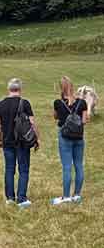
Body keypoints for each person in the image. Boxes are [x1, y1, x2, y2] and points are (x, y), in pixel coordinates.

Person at [0, 78, 39, 208]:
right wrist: (37, 139)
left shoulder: (0, 105)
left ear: (9, 89)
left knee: (9, 169)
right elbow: (32, 123)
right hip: (23, 142)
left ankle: (9, 198)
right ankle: (22, 198)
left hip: (7, 141)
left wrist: (0, 139)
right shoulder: (25, 103)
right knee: (23, 169)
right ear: (20, 89)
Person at [51, 76, 89, 205]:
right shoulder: (82, 103)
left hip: (65, 136)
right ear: (72, 87)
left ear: (61, 88)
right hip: (79, 137)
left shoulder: (57, 102)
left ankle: (66, 196)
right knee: (79, 165)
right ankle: (77, 195)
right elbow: (84, 120)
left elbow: (55, 117)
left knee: (67, 167)